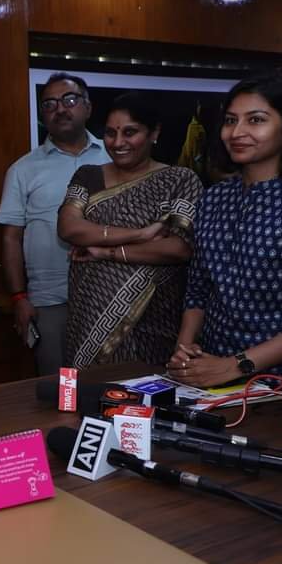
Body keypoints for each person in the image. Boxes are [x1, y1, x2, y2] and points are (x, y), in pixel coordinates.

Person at [166, 73, 282, 405]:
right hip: (211, 376)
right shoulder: (214, 198)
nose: (237, 132)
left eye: (256, 120)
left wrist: (235, 366)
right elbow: (199, 288)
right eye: (230, 120)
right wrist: (185, 350)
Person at [58, 93, 202, 367]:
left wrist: (106, 251)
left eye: (130, 132)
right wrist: (141, 235)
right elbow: (69, 227)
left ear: (154, 133)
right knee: (84, 389)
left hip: (153, 318)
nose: (117, 142)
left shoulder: (180, 180)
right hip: (87, 314)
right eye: (110, 133)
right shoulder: (88, 175)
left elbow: (179, 247)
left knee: (146, 389)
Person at [0, 73, 110, 376]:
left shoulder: (114, 158)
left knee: (113, 383)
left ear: (88, 107)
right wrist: (19, 297)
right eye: (49, 104)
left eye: (69, 100)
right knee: (60, 387)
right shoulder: (23, 169)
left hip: (110, 292)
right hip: (50, 300)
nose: (60, 109)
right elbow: (10, 238)